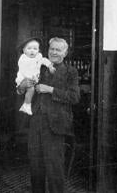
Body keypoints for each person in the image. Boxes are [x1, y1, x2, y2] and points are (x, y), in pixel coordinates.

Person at [17, 37, 80, 193]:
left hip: (56, 126)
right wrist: (22, 86)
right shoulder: (39, 66)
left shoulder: (70, 71)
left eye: (58, 50)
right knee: (35, 165)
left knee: (55, 168)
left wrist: (50, 89)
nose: (54, 52)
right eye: (52, 49)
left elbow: (74, 97)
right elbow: (21, 91)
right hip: (35, 121)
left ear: (65, 53)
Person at [15, 37, 55, 115]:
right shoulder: (23, 59)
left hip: (49, 110)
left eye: (35, 48)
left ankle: (26, 105)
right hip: (26, 78)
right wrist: (22, 85)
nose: (32, 51)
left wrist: (50, 65)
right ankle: (26, 105)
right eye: (29, 48)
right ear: (24, 50)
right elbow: (23, 71)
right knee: (31, 89)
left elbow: (44, 60)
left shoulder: (38, 57)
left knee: (31, 89)